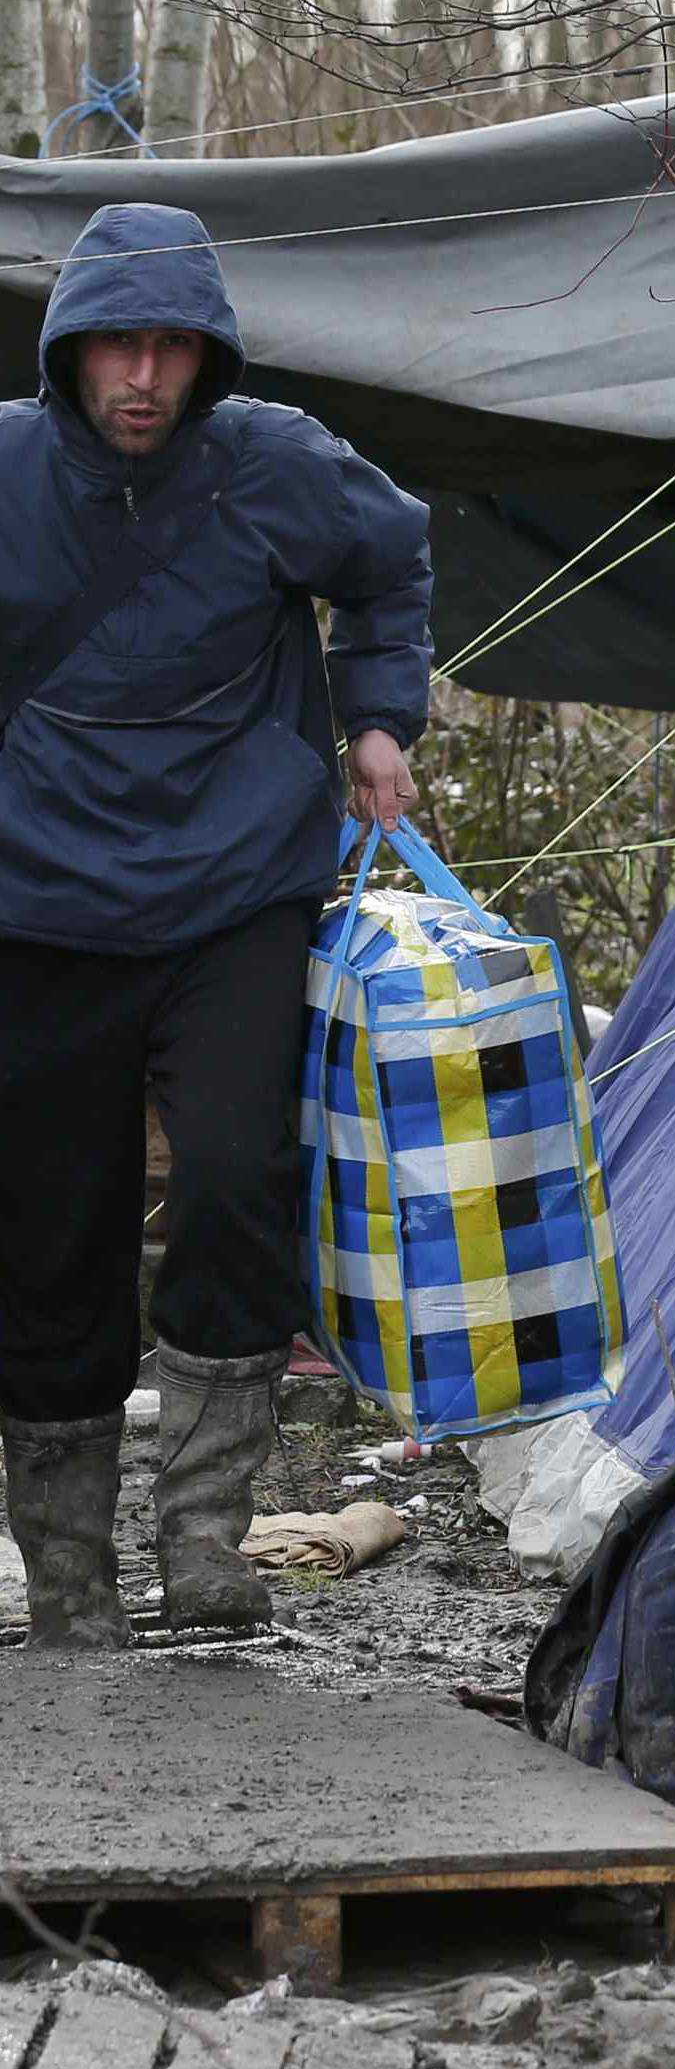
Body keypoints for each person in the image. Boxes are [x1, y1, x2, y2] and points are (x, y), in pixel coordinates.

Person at [0, 202, 433, 1649]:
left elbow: (388, 561)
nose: (141, 375)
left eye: (169, 347)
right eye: (115, 343)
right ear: (69, 354)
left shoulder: (277, 465)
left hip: (237, 892)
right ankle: (68, 1581)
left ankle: (204, 1541)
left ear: (206, 357)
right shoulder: (5, 473)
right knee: (52, 1236)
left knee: (242, 1175)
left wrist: (377, 715)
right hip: (40, 903)